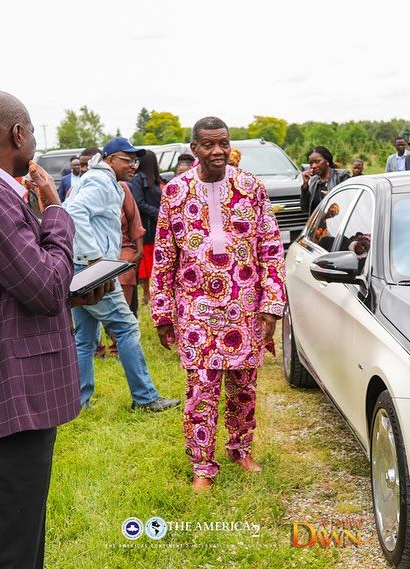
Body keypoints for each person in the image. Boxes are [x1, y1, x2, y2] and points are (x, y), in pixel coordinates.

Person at [0, 90, 109, 569]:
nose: (34, 140)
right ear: (18, 134)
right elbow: (44, 287)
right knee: (6, 547)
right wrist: (55, 210)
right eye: (32, 131)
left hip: (4, 388)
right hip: (6, 396)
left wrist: (71, 291)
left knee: (17, 533)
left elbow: (11, 285)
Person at [151, 117, 286, 492]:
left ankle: (240, 449)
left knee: (244, 388)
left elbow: (271, 249)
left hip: (244, 306)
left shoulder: (251, 187)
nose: (217, 151)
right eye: (208, 144)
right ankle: (202, 466)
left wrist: (272, 304)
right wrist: (162, 313)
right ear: (193, 148)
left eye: (223, 143)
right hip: (196, 311)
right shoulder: (175, 192)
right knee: (201, 391)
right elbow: (163, 257)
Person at [64, 136, 180, 412]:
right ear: (110, 159)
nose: (133, 166)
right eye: (127, 160)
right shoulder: (100, 181)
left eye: (136, 162)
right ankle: (145, 398)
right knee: (127, 328)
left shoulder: (101, 179)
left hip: (82, 266)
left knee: (84, 338)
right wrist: (94, 256)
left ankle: (77, 402)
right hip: (93, 269)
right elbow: (73, 211)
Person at [129, 151, 163, 306]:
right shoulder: (138, 179)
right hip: (146, 225)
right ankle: (147, 294)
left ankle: (154, 292)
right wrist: (157, 213)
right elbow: (138, 202)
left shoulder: (156, 180)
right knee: (146, 261)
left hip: (157, 225)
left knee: (156, 260)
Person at [118, 180, 145, 315]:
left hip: (124, 254)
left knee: (123, 314)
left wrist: (139, 253)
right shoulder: (77, 189)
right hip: (93, 257)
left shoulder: (122, 188)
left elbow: (135, 220)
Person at [300, 146, 350, 214]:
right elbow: (305, 209)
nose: (313, 166)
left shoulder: (341, 176)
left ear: (327, 161)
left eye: (317, 161)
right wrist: (305, 185)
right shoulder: (313, 181)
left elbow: (351, 201)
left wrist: (333, 197)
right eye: (311, 163)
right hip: (320, 220)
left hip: (339, 219)